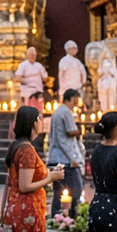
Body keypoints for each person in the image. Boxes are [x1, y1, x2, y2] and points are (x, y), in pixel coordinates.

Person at [47, 89, 85, 221]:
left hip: (56, 157)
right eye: (76, 99)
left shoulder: (58, 112)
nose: (77, 103)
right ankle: (73, 217)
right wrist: (73, 158)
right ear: (72, 98)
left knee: (59, 192)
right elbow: (68, 134)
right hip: (65, 159)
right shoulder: (66, 112)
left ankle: (56, 218)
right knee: (76, 189)